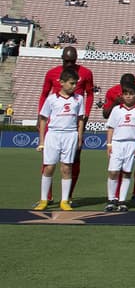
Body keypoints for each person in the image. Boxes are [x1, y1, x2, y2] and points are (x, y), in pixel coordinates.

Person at [38, 46, 94, 202]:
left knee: (73, 160)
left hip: (74, 121)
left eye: (72, 61)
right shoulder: (51, 73)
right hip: (54, 123)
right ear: (62, 58)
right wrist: (40, 115)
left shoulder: (86, 73)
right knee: (48, 162)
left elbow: (89, 94)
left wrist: (86, 113)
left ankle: (68, 196)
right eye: (66, 60)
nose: (69, 63)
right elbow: (44, 94)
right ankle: (47, 197)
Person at [35, 68, 85, 211]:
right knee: (49, 167)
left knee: (66, 168)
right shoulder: (52, 99)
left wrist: (79, 137)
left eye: (75, 83)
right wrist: (42, 140)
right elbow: (43, 119)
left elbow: (80, 119)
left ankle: (65, 201)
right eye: (71, 83)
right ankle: (44, 199)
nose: (74, 86)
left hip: (70, 135)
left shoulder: (79, 99)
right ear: (62, 82)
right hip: (54, 134)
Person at [101, 73, 135, 206]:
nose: (128, 94)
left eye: (130, 90)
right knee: (115, 170)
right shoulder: (112, 93)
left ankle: (134, 195)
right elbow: (105, 114)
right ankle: (114, 198)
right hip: (118, 139)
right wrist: (115, 103)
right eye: (125, 90)